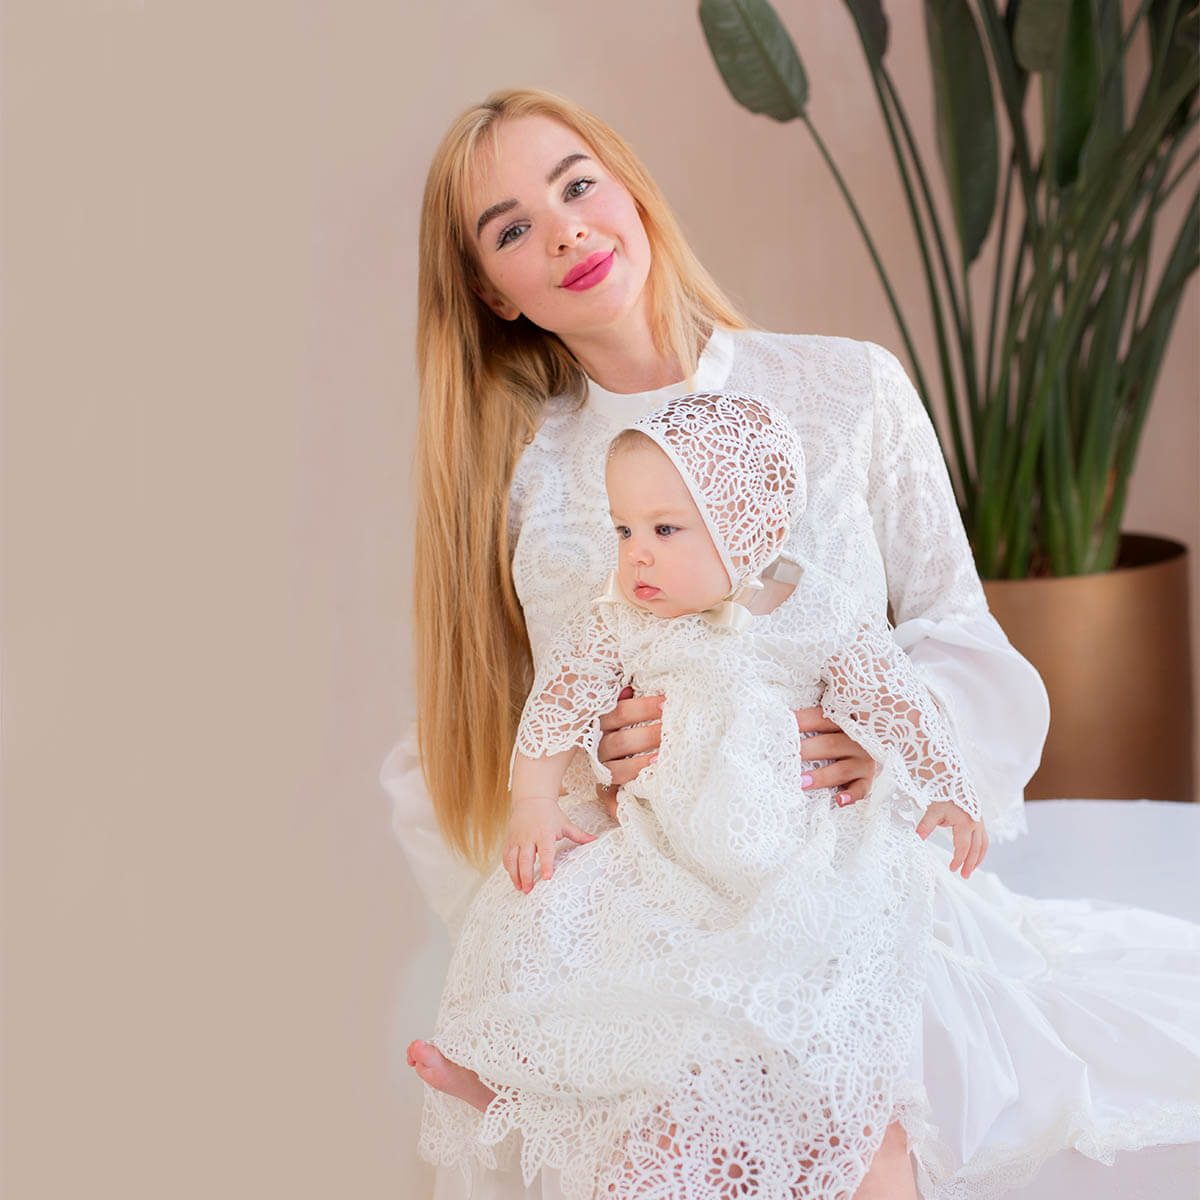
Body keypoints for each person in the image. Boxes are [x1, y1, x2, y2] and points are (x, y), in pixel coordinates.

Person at [386, 87, 1200, 1199]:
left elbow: (958, 634)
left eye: (576, 186)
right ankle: (560, 1087)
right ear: (494, 293)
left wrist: (893, 742)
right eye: (513, 228)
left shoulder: (843, 388)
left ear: (629, 189)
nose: (565, 228)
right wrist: (602, 764)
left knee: (847, 1092)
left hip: (850, 869)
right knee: (683, 1100)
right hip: (672, 893)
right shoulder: (534, 488)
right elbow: (565, 718)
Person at [416, 389, 992, 1198]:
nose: (636, 555)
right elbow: (557, 705)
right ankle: (529, 1085)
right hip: (667, 852)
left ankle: (816, 1138)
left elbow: (897, 697)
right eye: (623, 531)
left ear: (743, 528)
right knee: (591, 947)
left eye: (663, 530)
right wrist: (536, 802)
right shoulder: (622, 622)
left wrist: (947, 787)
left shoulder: (819, 611)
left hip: (798, 852)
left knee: (817, 1016)